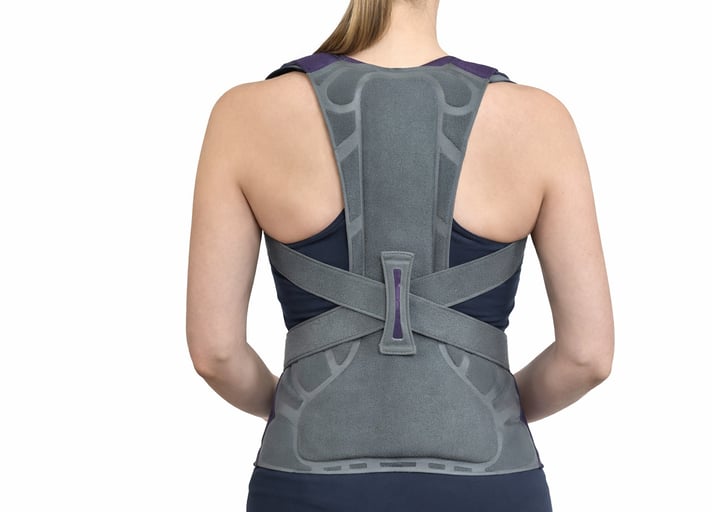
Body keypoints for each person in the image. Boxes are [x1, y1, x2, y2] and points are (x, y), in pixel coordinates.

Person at [186, 0, 614, 510]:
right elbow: (587, 356)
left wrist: (295, 405)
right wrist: (491, 406)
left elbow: (215, 354)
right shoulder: (539, 121)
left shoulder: (245, 115)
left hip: (306, 484)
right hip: (492, 484)